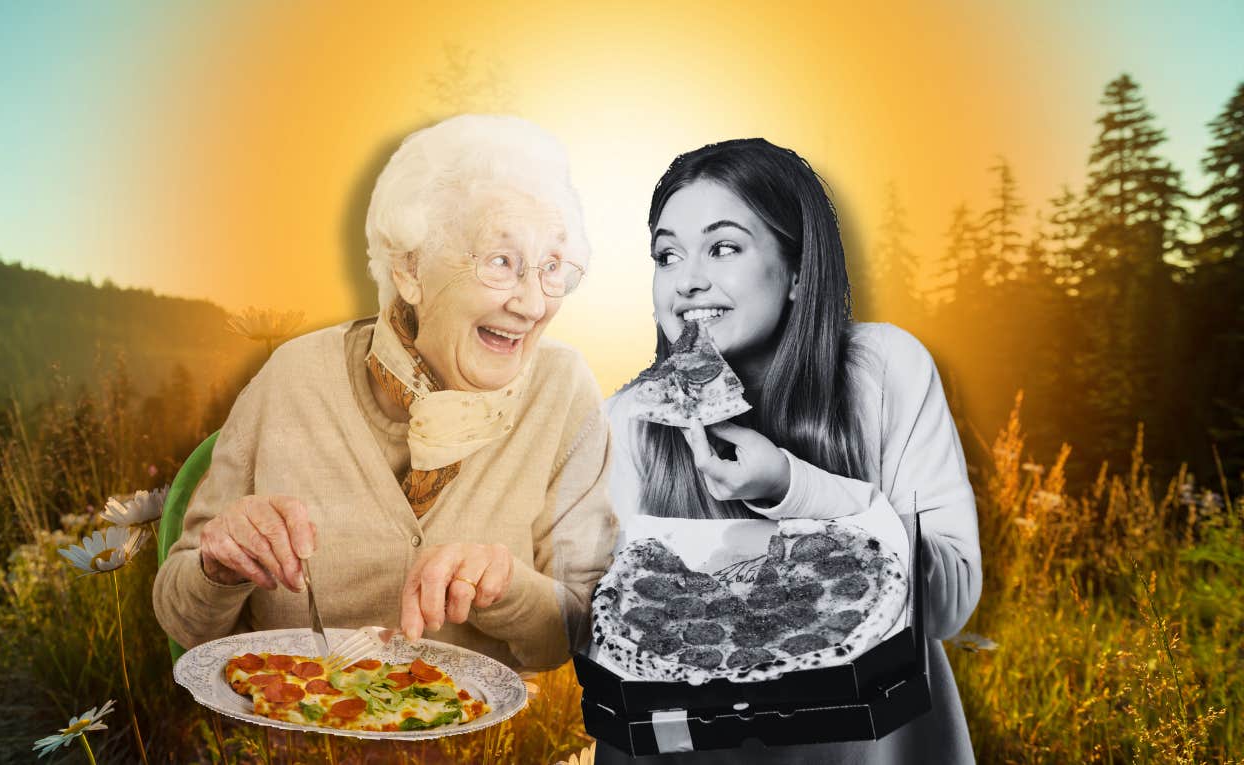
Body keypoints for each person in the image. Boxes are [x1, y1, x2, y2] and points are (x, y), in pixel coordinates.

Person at [153, 114, 618, 671]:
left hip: (473, 744)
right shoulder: (293, 377)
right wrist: (217, 566)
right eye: (502, 262)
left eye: (552, 268)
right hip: (299, 731)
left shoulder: (562, 390)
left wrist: (509, 590)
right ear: (410, 269)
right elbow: (183, 616)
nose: (533, 304)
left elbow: (586, 625)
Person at [600, 139, 981, 763]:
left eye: (723, 247)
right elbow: (597, 624)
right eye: (667, 256)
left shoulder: (883, 370)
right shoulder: (628, 420)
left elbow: (951, 602)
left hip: (877, 743)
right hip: (688, 746)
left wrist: (789, 488)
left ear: (799, 270)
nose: (688, 282)